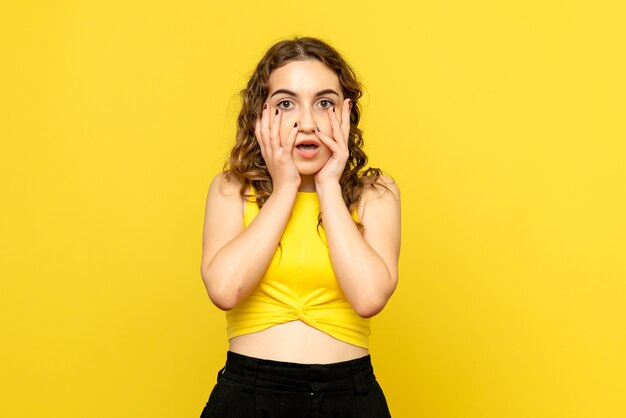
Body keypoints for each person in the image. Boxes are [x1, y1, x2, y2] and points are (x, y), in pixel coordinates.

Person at [199, 36, 401, 417]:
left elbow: (369, 298)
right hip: (248, 395)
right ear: (261, 114)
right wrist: (286, 186)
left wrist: (327, 185)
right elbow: (225, 290)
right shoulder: (233, 189)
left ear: (345, 113)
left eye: (323, 103)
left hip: (349, 397)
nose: (306, 122)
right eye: (286, 103)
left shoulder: (375, 193)